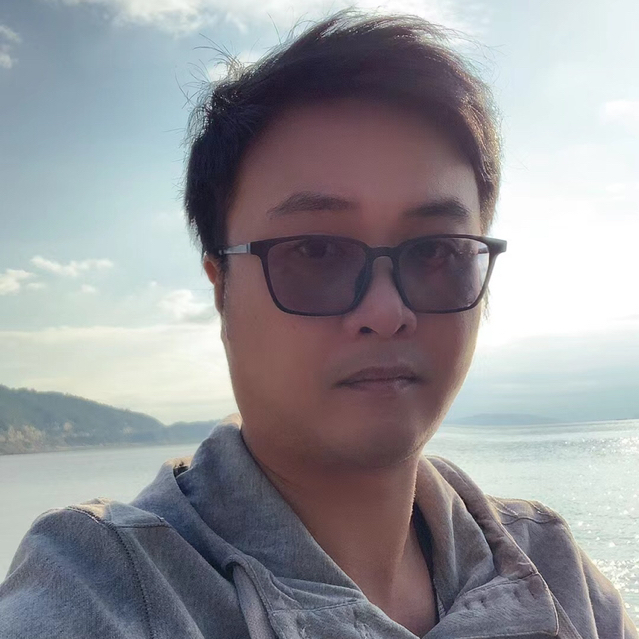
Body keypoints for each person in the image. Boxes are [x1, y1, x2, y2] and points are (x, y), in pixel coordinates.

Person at [0, 10, 636, 639]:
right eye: (316, 252)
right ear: (221, 287)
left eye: (437, 252)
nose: (386, 312)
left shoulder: (553, 569)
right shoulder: (108, 587)